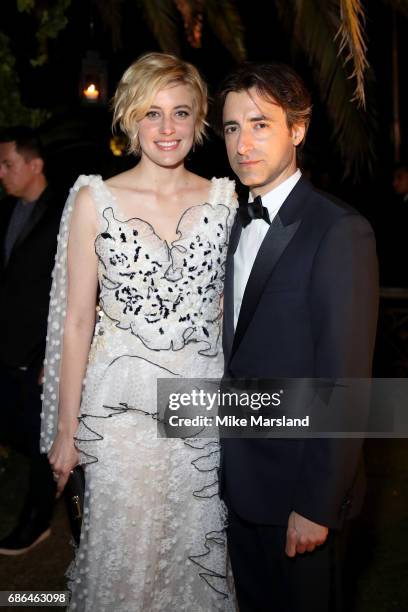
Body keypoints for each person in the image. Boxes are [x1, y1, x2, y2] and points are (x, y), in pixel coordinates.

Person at [40, 53, 237, 611]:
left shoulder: (225, 201)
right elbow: (77, 321)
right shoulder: (93, 201)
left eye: (180, 112)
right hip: (118, 419)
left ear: (199, 119)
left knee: (196, 556)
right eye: (152, 113)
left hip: (200, 410)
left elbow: (227, 316)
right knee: (125, 560)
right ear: (129, 118)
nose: (167, 128)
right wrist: (66, 427)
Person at [217, 62, 379, 611]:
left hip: (300, 495)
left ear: (299, 130)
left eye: (261, 124)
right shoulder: (230, 223)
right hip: (240, 488)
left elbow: (346, 379)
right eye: (233, 127)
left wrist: (316, 504)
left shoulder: (339, 230)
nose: (243, 143)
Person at [0, 127, 61, 555]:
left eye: (7, 163)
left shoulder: (63, 214)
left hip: (39, 353)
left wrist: (53, 354)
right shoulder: (5, 211)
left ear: (33, 165)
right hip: (5, 349)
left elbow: (72, 288)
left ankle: (36, 521)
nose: (1, 172)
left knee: (44, 441)